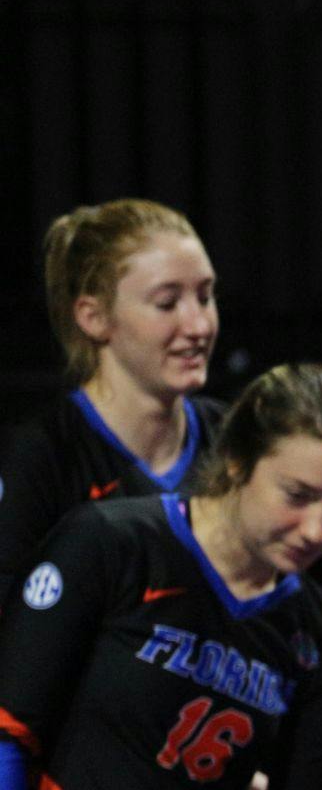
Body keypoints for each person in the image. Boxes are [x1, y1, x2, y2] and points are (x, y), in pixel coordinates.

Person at [0, 363, 322, 790]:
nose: (318, 530)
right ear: (238, 461)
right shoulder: (111, 547)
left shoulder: (320, 641)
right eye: (297, 495)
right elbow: (9, 735)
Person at [0, 200, 223, 598]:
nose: (198, 325)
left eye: (205, 297)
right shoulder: (40, 456)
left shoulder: (237, 441)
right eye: (167, 303)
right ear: (94, 317)